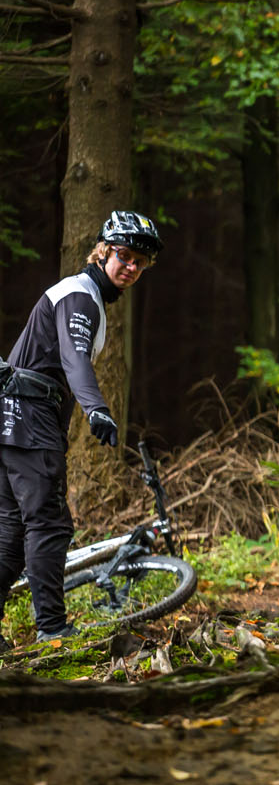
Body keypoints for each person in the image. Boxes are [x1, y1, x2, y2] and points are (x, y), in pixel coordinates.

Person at [0, 211, 163, 650]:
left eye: (140, 262)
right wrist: (96, 410)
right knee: (49, 524)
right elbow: (74, 359)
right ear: (103, 251)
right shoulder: (80, 295)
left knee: (13, 535)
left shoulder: (83, 295)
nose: (130, 267)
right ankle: (52, 630)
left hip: (13, 419)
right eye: (124, 256)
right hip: (29, 419)